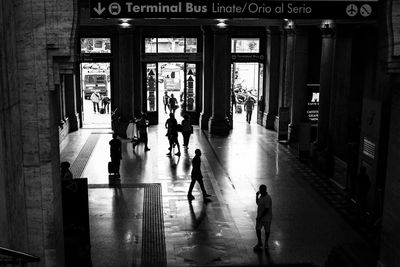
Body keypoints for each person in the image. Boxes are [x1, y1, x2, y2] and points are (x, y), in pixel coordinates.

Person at [254, 184, 272, 251]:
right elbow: (258, 203)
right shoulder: (261, 196)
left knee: (267, 230)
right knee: (257, 229)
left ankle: (266, 242)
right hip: (260, 217)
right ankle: (260, 242)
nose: (259, 191)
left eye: (260, 190)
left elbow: (266, 209)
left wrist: (260, 217)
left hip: (266, 218)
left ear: (263, 190)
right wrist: (256, 196)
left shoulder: (267, 198)